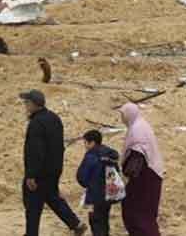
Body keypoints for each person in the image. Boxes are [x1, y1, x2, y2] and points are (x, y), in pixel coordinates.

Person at [20, 89, 87, 236]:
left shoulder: (36, 123)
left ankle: (31, 233)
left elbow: (35, 152)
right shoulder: (54, 118)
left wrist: (31, 175)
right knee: (52, 198)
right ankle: (76, 224)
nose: (25, 105)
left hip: (40, 172)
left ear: (33, 104)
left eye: (26, 102)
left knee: (33, 204)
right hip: (54, 169)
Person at [119, 103, 165, 236]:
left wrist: (125, 175)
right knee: (142, 214)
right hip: (149, 176)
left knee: (139, 215)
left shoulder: (137, 130)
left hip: (144, 178)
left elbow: (137, 156)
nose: (122, 118)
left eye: (123, 115)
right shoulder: (140, 126)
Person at [76, 130, 120, 236]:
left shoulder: (91, 156)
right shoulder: (110, 155)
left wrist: (89, 185)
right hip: (109, 195)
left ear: (92, 143)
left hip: (95, 196)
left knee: (95, 223)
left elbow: (82, 177)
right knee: (104, 221)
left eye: (86, 143)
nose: (85, 146)